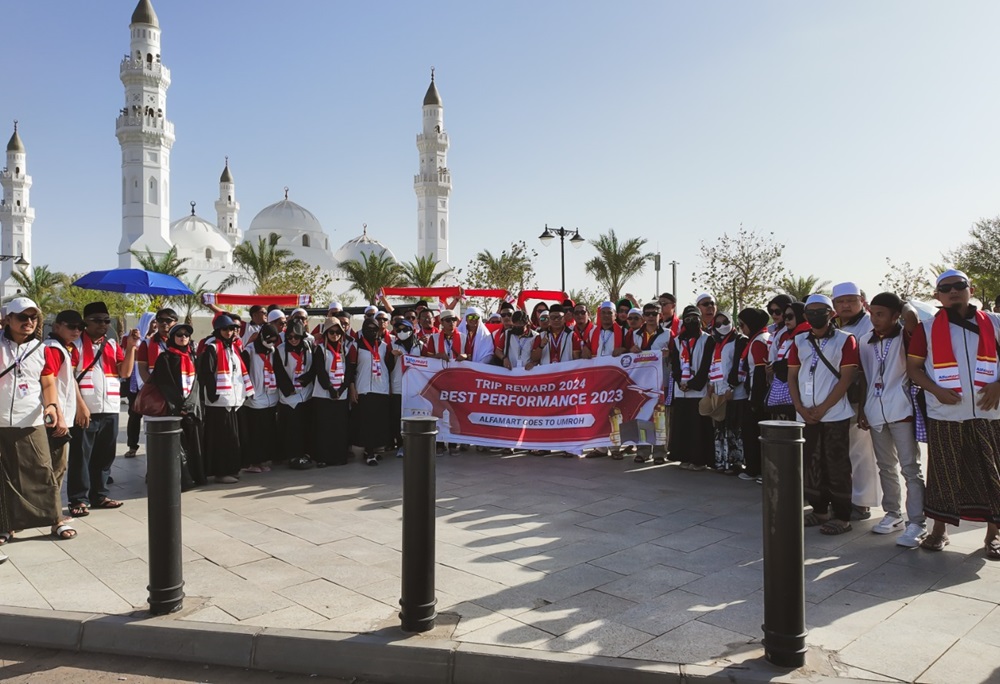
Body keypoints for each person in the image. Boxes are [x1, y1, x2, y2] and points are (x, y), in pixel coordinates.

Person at [906, 269, 1000, 559]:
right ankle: (939, 531)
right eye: (945, 288)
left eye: (959, 285)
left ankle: (993, 536)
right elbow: (914, 369)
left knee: (993, 475)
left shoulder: (995, 323)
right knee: (944, 475)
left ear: (970, 288)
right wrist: (935, 390)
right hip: (945, 413)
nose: (953, 291)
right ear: (937, 296)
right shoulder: (927, 328)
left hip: (990, 412)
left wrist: (998, 384)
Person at [0, 297, 74, 545]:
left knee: (43, 470)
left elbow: (48, 382)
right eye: (22, 317)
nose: (29, 322)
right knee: (4, 475)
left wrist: (53, 406)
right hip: (1, 420)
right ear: (8, 319)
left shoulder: (41, 349)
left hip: (30, 418)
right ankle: (6, 525)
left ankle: (56, 520)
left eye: (33, 317)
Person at [857, 292, 927, 547]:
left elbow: (912, 318)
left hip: (902, 410)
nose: (874, 318)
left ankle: (917, 522)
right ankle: (893, 514)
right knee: (885, 466)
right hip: (875, 410)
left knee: (910, 468)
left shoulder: (907, 336)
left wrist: (903, 303)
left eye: (880, 314)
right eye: (872, 313)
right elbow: (864, 376)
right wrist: (863, 409)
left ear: (895, 315)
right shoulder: (865, 341)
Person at [788, 294, 859, 535]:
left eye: (822, 311)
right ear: (805, 316)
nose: (817, 315)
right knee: (811, 464)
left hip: (835, 414)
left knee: (837, 465)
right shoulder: (799, 341)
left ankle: (842, 517)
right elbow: (792, 376)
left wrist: (824, 407)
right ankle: (819, 511)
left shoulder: (845, 340)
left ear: (832, 314)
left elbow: (847, 377)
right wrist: (799, 406)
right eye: (812, 312)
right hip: (805, 414)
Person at [68, 302, 138, 517]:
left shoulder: (111, 344)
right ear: (85, 322)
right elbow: (69, 379)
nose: (103, 324)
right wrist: (80, 407)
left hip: (110, 407)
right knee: (81, 456)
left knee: (105, 455)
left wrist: (131, 347)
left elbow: (124, 372)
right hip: (86, 409)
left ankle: (99, 495)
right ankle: (78, 499)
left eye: (106, 321)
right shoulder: (76, 345)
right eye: (97, 320)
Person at [832, 282, 880, 522]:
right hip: (838, 399)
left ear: (862, 300)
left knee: (861, 452)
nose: (846, 305)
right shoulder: (834, 326)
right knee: (844, 452)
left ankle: (861, 503)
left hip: (860, 397)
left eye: (851, 300)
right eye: (840, 301)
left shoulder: (869, 324)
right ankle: (845, 497)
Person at [199, 314, 254, 483]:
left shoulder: (233, 347)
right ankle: (221, 472)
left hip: (234, 400)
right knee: (221, 438)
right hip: (219, 402)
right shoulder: (212, 347)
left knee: (233, 437)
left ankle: (232, 468)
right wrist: (213, 394)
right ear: (218, 330)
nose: (229, 332)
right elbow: (206, 373)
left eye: (232, 329)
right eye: (225, 329)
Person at [149, 324, 204, 488]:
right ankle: (182, 480)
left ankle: (196, 476)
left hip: (191, 408)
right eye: (179, 335)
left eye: (186, 335)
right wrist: (178, 405)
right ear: (172, 338)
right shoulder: (165, 358)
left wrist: (191, 405)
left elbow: (196, 383)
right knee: (176, 447)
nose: (183, 337)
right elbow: (165, 385)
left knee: (193, 443)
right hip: (174, 410)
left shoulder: (191, 356)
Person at [43, 311, 87, 496]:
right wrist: (59, 415)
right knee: (56, 466)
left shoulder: (68, 349)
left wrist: (80, 405)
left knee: (59, 466)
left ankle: (51, 510)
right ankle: (51, 512)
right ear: (57, 326)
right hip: (55, 418)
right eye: (71, 326)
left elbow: (70, 380)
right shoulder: (53, 348)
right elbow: (48, 383)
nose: (76, 331)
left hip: (63, 416)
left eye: (80, 327)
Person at [670, 305, 715, 470]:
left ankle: (699, 459)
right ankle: (683, 456)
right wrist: (680, 382)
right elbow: (675, 365)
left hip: (698, 389)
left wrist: (693, 383)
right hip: (681, 391)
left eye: (695, 319)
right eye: (688, 319)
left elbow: (706, 366)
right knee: (682, 425)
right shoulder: (677, 341)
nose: (691, 323)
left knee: (698, 427)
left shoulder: (707, 339)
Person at [132, 308, 177, 457]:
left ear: (175, 322)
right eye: (161, 320)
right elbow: (142, 369)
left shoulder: (182, 340)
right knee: (155, 434)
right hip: (157, 394)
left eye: (168, 320)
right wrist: (153, 388)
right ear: (156, 322)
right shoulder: (147, 343)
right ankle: (154, 470)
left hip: (177, 396)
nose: (164, 323)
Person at [310, 317, 353, 466]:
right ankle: (323, 458)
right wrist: (330, 389)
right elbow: (320, 371)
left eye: (338, 332)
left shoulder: (345, 350)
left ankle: (339, 457)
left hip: (341, 394)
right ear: (326, 333)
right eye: (331, 332)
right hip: (323, 394)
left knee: (339, 427)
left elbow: (349, 373)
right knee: (324, 428)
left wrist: (341, 389)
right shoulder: (321, 350)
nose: (335, 335)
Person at [351, 318, 394, 465]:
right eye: (368, 328)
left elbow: (389, 367)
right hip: (364, 388)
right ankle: (369, 453)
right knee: (366, 422)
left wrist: (393, 356)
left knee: (378, 422)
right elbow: (350, 369)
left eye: (374, 329)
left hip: (381, 388)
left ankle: (373, 451)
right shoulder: (356, 345)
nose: (371, 331)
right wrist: (352, 388)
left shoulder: (384, 346)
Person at [273, 320, 315, 469]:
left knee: (306, 426)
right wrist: (288, 388)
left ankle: (306, 454)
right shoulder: (279, 349)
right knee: (292, 428)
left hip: (306, 392)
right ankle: (293, 456)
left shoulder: (309, 347)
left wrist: (307, 379)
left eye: (296, 337)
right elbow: (278, 371)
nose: (293, 340)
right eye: (290, 337)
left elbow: (314, 367)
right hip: (289, 395)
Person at [708, 311, 746, 474]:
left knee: (733, 428)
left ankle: (735, 462)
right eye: (718, 324)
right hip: (718, 390)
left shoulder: (739, 340)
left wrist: (731, 386)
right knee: (720, 427)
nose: (722, 326)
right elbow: (714, 365)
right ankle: (721, 461)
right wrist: (711, 384)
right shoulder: (716, 343)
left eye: (725, 322)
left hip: (734, 392)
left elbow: (739, 365)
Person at [239, 323, 280, 474]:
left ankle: (263, 459)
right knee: (254, 432)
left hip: (270, 396)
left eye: (273, 341)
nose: (270, 343)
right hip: (255, 398)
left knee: (266, 431)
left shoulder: (272, 351)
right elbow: (244, 374)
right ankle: (252, 462)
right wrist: (248, 392)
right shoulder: (249, 351)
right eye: (268, 340)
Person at [737, 308, 771, 482]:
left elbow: (759, 372)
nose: (741, 328)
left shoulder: (758, 342)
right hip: (759, 396)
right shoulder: (761, 338)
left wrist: (755, 399)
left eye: (742, 325)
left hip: (757, 397)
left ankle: (754, 469)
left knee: (752, 435)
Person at [767, 302, 808, 420]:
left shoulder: (806, 335)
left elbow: (800, 361)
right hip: (789, 392)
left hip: (802, 393)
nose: (786, 320)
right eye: (784, 317)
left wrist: (777, 366)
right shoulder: (791, 336)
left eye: (790, 317)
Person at [123, 311, 156, 458]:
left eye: (156, 322)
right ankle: (132, 445)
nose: (154, 325)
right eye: (152, 322)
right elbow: (127, 355)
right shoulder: (129, 337)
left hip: (149, 383)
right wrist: (137, 342)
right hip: (134, 383)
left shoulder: (155, 341)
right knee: (134, 415)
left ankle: (153, 446)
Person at [390, 318, 421, 457]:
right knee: (398, 417)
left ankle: (415, 444)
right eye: (399, 330)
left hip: (416, 387)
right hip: (398, 386)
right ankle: (401, 445)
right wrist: (392, 357)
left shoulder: (420, 345)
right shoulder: (392, 344)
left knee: (414, 416)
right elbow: (387, 366)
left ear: (412, 330)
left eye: (405, 329)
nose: (402, 332)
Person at [529, 304, 581, 369]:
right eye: (553, 317)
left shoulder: (572, 335)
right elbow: (534, 358)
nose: (556, 320)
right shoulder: (541, 336)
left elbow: (577, 360)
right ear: (549, 319)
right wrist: (541, 346)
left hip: (566, 376)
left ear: (564, 318)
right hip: (547, 375)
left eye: (559, 317)